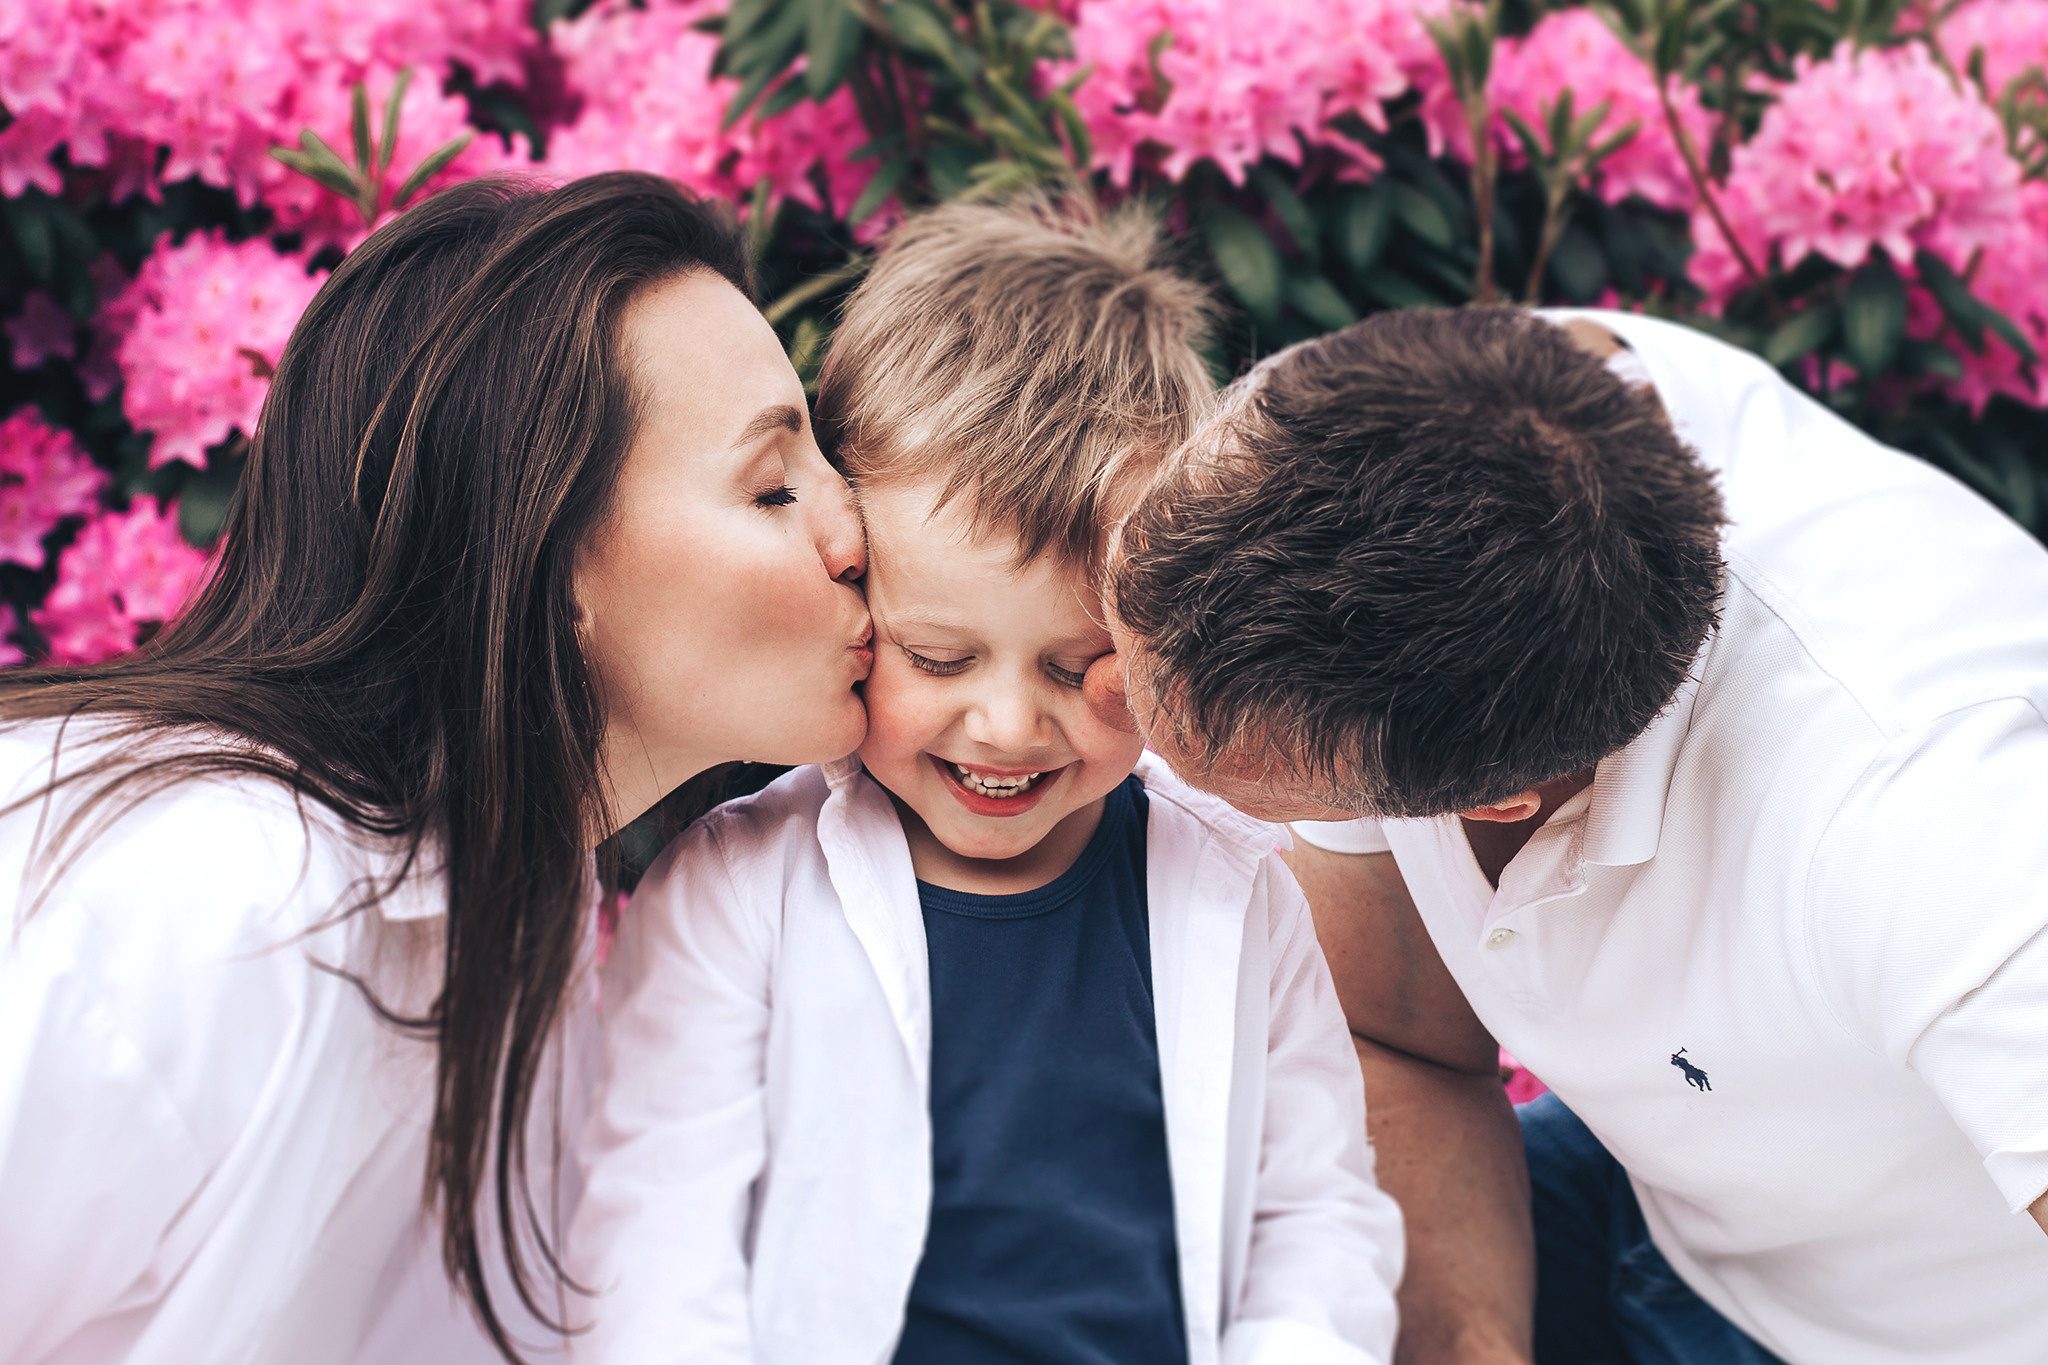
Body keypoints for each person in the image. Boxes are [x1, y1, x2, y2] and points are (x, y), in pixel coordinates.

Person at [0, 173, 873, 1364]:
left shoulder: (526, 915)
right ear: (548, 558)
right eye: (774, 486)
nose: (854, 533)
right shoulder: (210, 900)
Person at [1087, 305, 2048, 1364]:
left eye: (1196, 748)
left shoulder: (1937, 831)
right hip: (1649, 1185)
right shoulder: (1329, 433)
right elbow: (1401, 1038)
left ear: (1494, 797)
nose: (1091, 696)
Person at [568, 199, 1405, 1365]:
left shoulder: (1233, 888)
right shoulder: (734, 888)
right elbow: (655, 1252)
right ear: (851, 591)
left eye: (1076, 664)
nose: (1007, 726)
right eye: (938, 657)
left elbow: (1315, 1219)